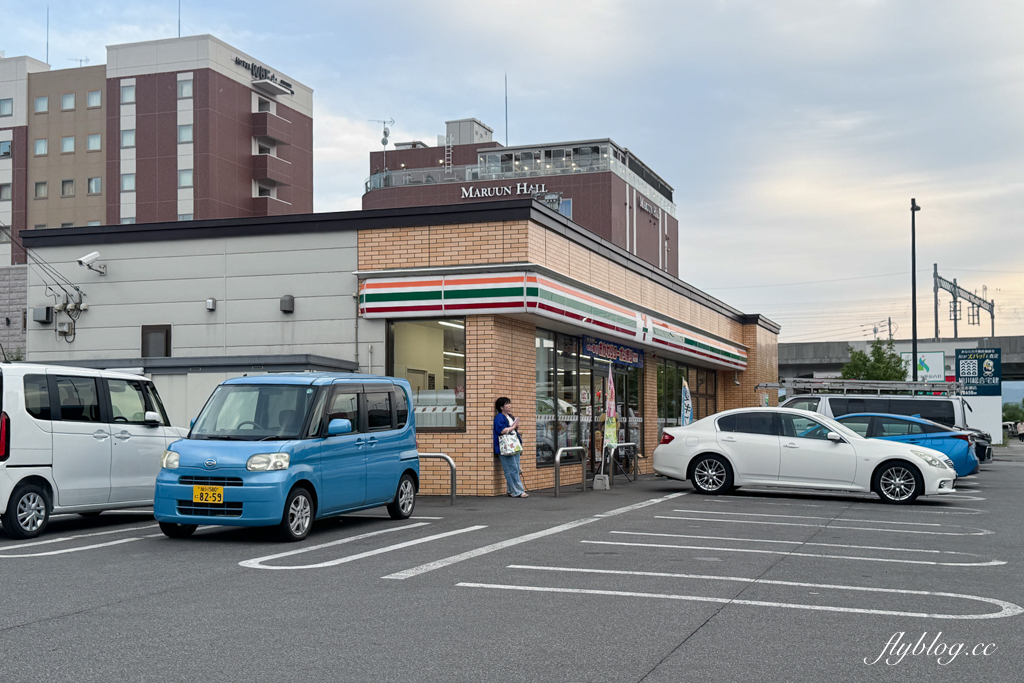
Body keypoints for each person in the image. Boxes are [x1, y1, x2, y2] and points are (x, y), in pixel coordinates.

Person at [494, 397, 528, 497]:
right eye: (507, 404)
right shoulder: (499, 417)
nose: (509, 406)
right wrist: (513, 427)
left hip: (513, 444)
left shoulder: (510, 416)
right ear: (501, 407)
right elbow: (501, 430)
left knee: (515, 468)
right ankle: (518, 491)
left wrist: (516, 427)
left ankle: (511, 490)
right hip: (506, 445)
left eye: (509, 404)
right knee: (512, 468)